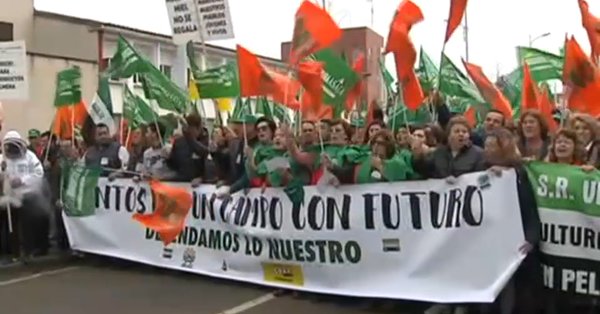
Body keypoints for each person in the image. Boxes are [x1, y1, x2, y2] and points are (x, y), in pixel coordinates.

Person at [0, 130, 51, 261]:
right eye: (8, 146)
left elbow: (38, 173)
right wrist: (2, 170)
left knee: (28, 224)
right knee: (12, 226)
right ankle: (13, 251)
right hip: (10, 198)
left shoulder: (30, 157)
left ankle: (30, 250)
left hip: (30, 196)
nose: (10, 148)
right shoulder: (3, 159)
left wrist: (22, 180)